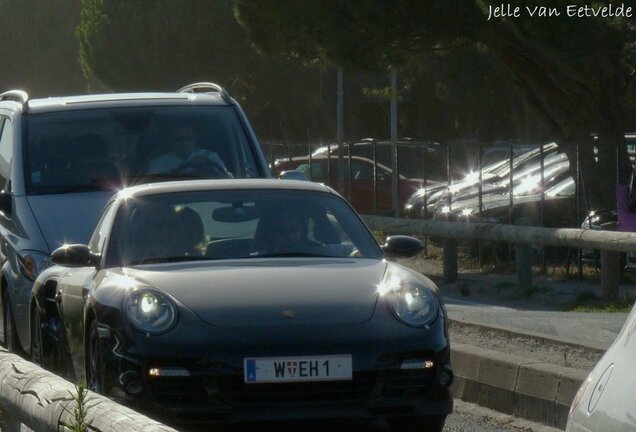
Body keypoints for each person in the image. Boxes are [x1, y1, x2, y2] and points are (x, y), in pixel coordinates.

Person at [146, 124, 232, 177]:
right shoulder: (157, 164)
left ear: (195, 139)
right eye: (178, 139)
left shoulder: (210, 157)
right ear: (170, 141)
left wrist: (209, 169)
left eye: (188, 139)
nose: (184, 143)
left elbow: (228, 182)